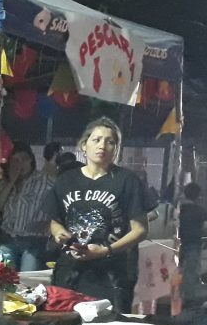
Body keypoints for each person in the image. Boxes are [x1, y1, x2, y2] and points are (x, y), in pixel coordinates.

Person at [45, 118, 147, 312]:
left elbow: (140, 230)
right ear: (84, 145)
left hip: (111, 273)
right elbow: (55, 220)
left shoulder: (127, 181)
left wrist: (105, 250)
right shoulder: (67, 180)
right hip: (70, 270)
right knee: (64, 322)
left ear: (115, 149)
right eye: (97, 140)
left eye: (110, 142)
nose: (102, 146)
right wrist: (59, 233)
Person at [0, 146, 53, 271]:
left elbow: (60, 205)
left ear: (31, 160)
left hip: (33, 241)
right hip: (8, 239)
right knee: (1, 277)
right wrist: (12, 181)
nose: (20, 164)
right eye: (15, 160)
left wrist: (49, 225)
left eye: (24, 159)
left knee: (27, 279)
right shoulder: (5, 183)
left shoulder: (45, 181)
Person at [178, 183, 207, 302]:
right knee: (191, 271)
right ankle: (188, 298)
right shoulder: (201, 211)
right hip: (194, 243)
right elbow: (206, 227)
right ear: (198, 196)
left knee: (176, 269)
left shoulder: (178, 210)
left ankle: (175, 294)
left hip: (177, 243)